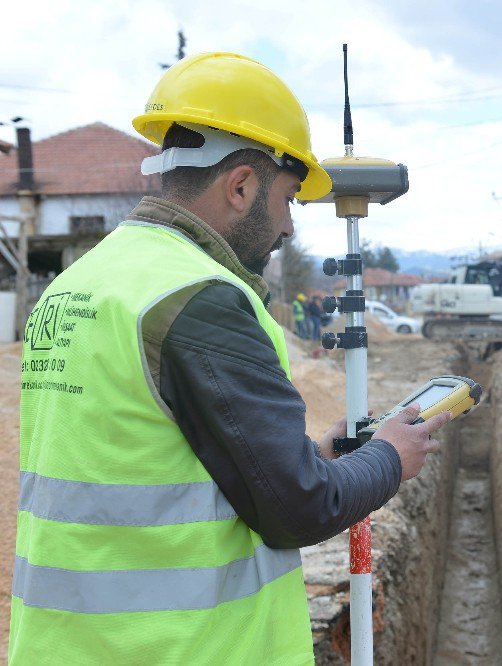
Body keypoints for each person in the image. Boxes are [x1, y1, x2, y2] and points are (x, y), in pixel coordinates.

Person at [12, 52, 450, 664]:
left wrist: (310, 460)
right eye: (290, 198)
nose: (290, 227)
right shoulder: (201, 300)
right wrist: (389, 460)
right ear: (242, 185)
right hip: (185, 648)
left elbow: (138, 457)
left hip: (71, 645)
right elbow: (300, 509)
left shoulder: (79, 284)